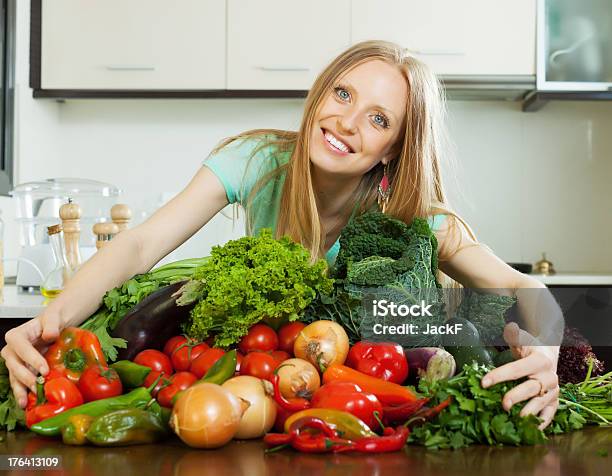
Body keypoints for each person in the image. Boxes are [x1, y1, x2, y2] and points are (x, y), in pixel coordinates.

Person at [1, 40, 561, 428]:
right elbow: (141, 244)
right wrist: (50, 321)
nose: (346, 121)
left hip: (353, 407)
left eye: (378, 118)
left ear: (393, 149)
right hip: (264, 392)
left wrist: (547, 352)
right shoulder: (257, 161)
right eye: (342, 95)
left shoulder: (415, 217)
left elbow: (527, 291)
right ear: (319, 93)